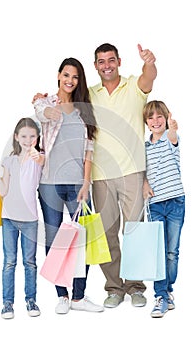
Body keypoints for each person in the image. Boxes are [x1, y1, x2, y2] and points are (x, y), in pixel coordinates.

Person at [33, 57, 104, 314]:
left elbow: (88, 151)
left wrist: (86, 182)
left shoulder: (84, 110)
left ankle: (79, 297)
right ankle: (61, 295)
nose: (70, 81)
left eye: (74, 77)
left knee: (81, 238)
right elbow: (41, 113)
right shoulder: (45, 102)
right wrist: (44, 105)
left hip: (78, 184)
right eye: (66, 75)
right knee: (55, 241)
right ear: (58, 76)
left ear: (79, 80)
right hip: (49, 183)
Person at [89, 43, 157, 309]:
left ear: (119, 61)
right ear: (95, 66)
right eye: (101, 61)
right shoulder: (90, 93)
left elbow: (148, 77)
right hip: (100, 175)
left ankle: (136, 286)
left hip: (132, 171)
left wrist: (149, 62)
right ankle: (114, 287)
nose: (106, 65)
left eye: (111, 60)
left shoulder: (133, 87)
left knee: (135, 232)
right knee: (107, 234)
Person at [0, 117, 45, 319]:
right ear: (16, 137)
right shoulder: (9, 161)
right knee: (9, 262)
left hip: (29, 219)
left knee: (30, 262)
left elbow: (41, 160)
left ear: (38, 138)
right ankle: (7, 303)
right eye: (24, 136)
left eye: (32, 136)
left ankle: (31, 300)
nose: (28, 140)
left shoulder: (38, 158)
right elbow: (2, 190)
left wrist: (37, 154)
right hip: (9, 218)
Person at [143, 100, 185, 318]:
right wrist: (144, 184)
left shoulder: (171, 139)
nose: (156, 121)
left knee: (172, 252)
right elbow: (143, 172)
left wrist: (172, 127)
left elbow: (173, 137)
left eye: (160, 117)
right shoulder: (144, 146)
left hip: (176, 201)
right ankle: (160, 295)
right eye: (151, 117)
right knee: (159, 252)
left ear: (166, 118)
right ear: (146, 122)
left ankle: (168, 291)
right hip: (155, 205)